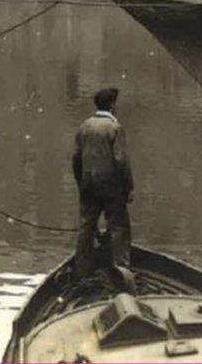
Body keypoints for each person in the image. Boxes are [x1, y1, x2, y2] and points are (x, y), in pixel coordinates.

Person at [72, 87, 134, 281]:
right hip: (110, 186)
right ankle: (121, 271)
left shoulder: (85, 126)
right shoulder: (115, 128)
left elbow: (76, 158)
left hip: (87, 183)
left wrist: (80, 181)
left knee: (86, 226)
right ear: (113, 105)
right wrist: (128, 187)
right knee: (118, 226)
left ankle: (81, 272)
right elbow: (121, 160)